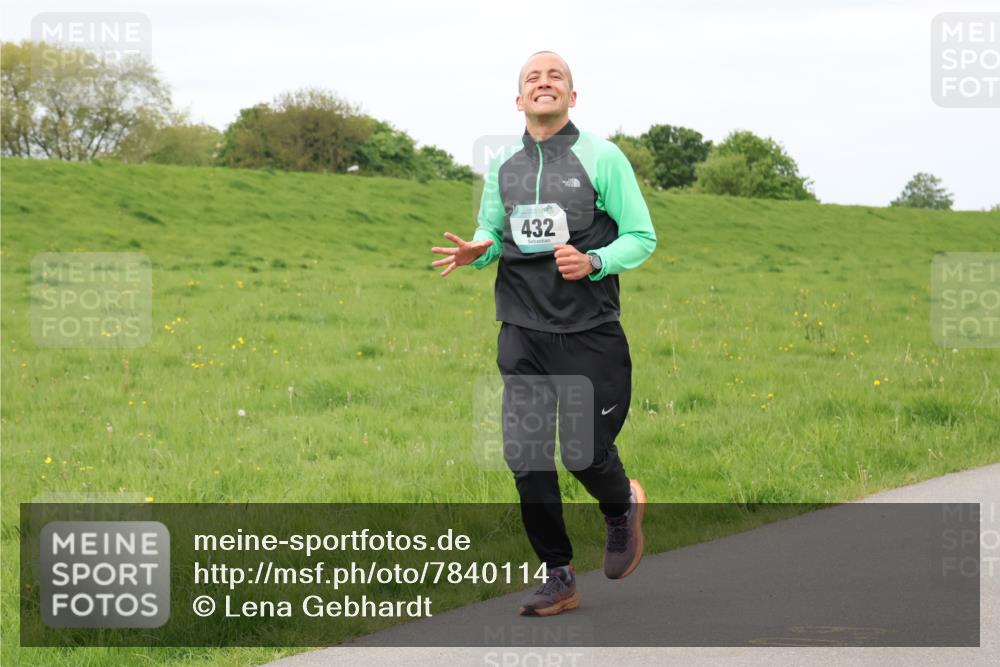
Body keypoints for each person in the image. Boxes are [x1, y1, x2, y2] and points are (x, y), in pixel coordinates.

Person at [430, 50, 657, 617]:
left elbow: (641, 236)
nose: (544, 81)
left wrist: (595, 261)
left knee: (584, 455)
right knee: (526, 455)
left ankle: (621, 506)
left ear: (572, 97)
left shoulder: (603, 157)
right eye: (533, 77)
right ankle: (558, 575)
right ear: (520, 100)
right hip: (523, 329)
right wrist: (478, 250)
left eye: (556, 75)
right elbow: (492, 231)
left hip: (589, 332)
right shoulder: (503, 165)